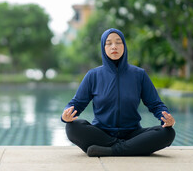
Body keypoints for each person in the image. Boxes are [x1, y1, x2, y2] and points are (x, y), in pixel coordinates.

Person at [61, 28, 175, 157]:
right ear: (103, 48)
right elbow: (76, 103)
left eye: (118, 42)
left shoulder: (139, 75)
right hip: (101, 134)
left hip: (133, 134)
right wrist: (65, 115)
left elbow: (155, 104)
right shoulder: (93, 75)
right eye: (109, 43)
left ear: (124, 46)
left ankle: (112, 150)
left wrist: (166, 119)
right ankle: (129, 148)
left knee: (168, 133)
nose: (114, 46)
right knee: (72, 127)